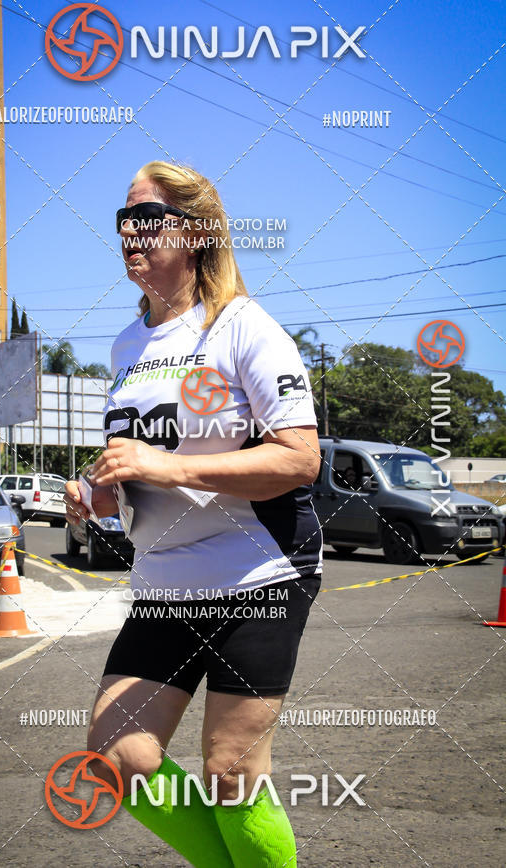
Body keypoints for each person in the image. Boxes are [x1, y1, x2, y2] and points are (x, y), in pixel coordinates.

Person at [65, 161, 323, 866]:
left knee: (231, 776)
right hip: (163, 583)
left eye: (148, 218)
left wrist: (165, 467)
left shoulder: (244, 327)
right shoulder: (127, 345)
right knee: (119, 759)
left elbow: (299, 459)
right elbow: (142, 466)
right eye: (124, 220)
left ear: (199, 233)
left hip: (256, 577)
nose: (131, 233)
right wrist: (103, 494)